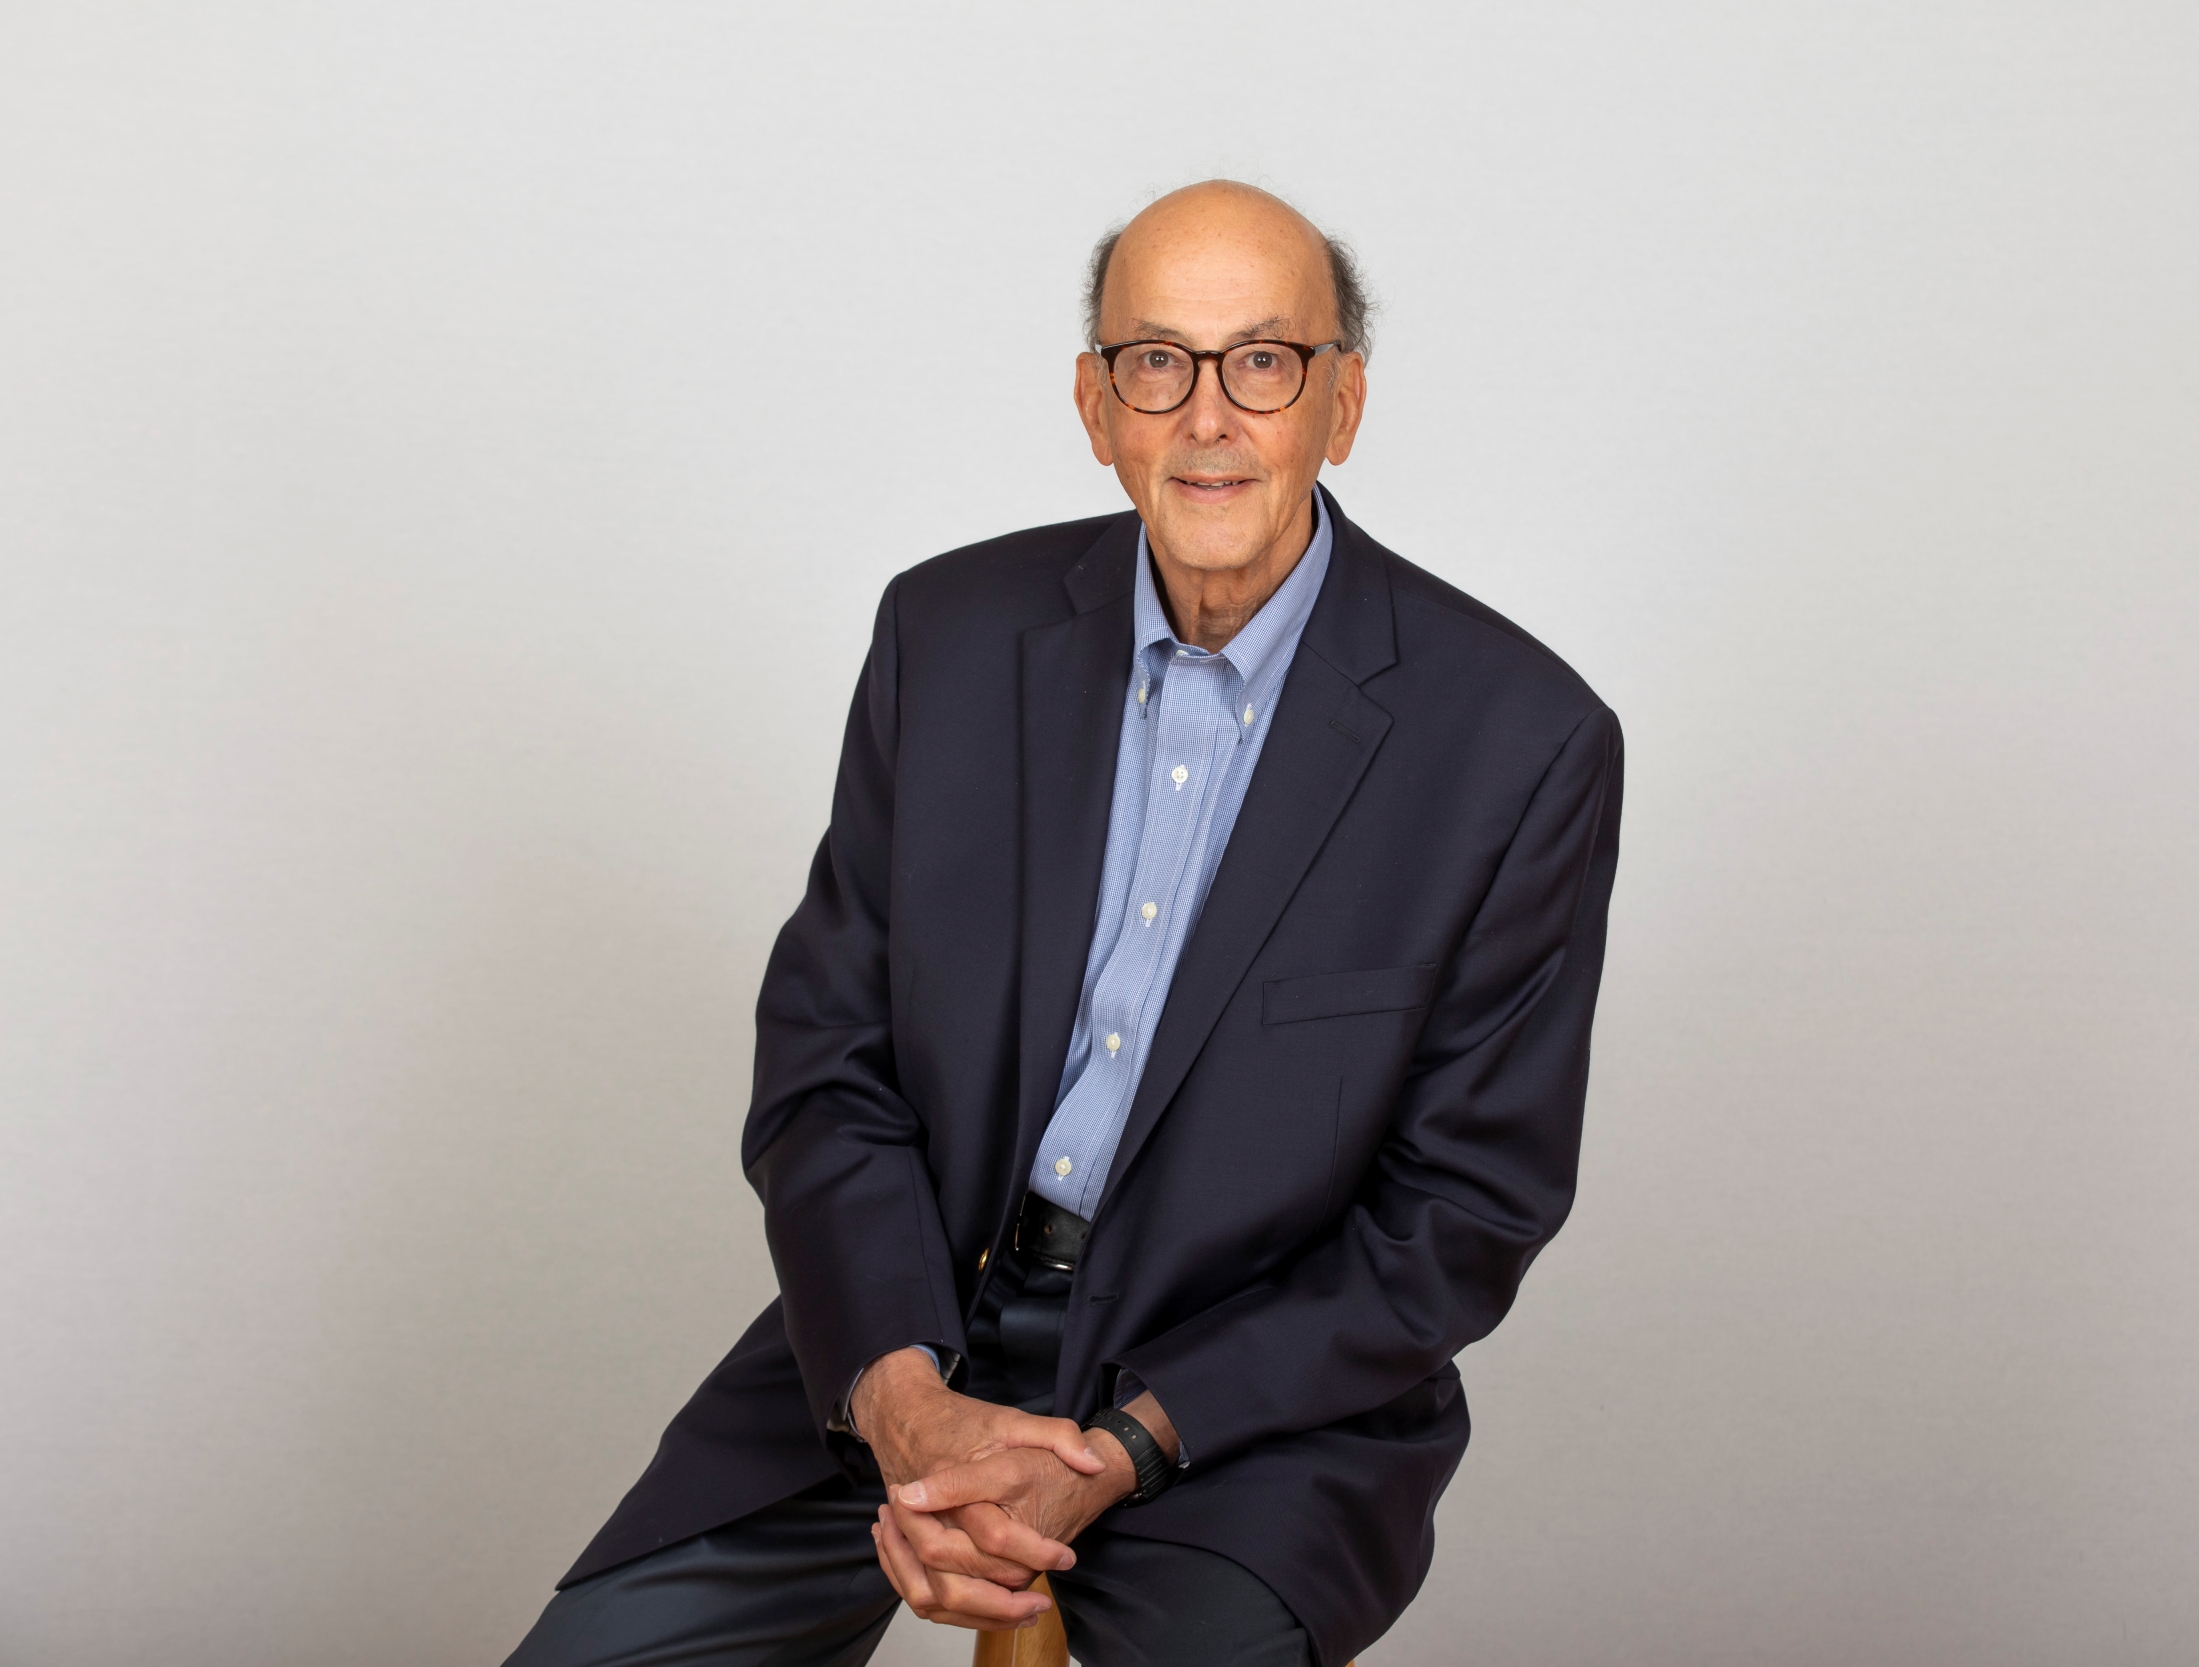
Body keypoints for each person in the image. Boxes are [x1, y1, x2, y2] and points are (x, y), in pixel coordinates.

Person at [504, 179, 1622, 1667]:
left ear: (1341, 402)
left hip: (1243, 1411)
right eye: (1157, 362)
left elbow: (1461, 1220)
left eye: (1263, 361)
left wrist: (1125, 1446)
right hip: (915, 1320)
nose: (1208, 417)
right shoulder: (946, 640)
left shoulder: (1520, 742)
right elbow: (826, 1062)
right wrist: (901, 1396)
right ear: (1098, 408)